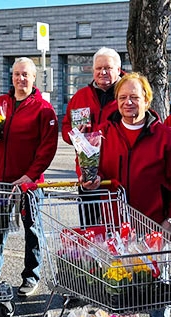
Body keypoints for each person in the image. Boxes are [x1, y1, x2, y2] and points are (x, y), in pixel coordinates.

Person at [82, 72, 171, 317]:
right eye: (122, 97)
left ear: (146, 99)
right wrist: (89, 179)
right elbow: (87, 168)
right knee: (120, 288)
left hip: (154, 226)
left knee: (157, 290)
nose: (128, 102)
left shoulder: (165, 137)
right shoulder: (102, 135)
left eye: (134, 97)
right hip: (115, 227)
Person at [0, 57, 58, 297]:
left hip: (28, 184)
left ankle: (30, 277)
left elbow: (48, 148)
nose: (20, 78)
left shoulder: (43, 109)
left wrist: (30, 176)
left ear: (34, 78)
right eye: (16, 74)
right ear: (11, 77)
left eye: (25, 74)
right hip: (0, 180)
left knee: (32, 230)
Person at [61, 47, 123, 226]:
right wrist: (74, 134)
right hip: (88, 173)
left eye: (108, 68)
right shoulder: (80, 97)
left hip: (117, 175)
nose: (102, 72)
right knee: (90, 230)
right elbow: (66, 128)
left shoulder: (126, 95)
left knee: (119, 231)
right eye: (98, 68)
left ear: (118, 70)